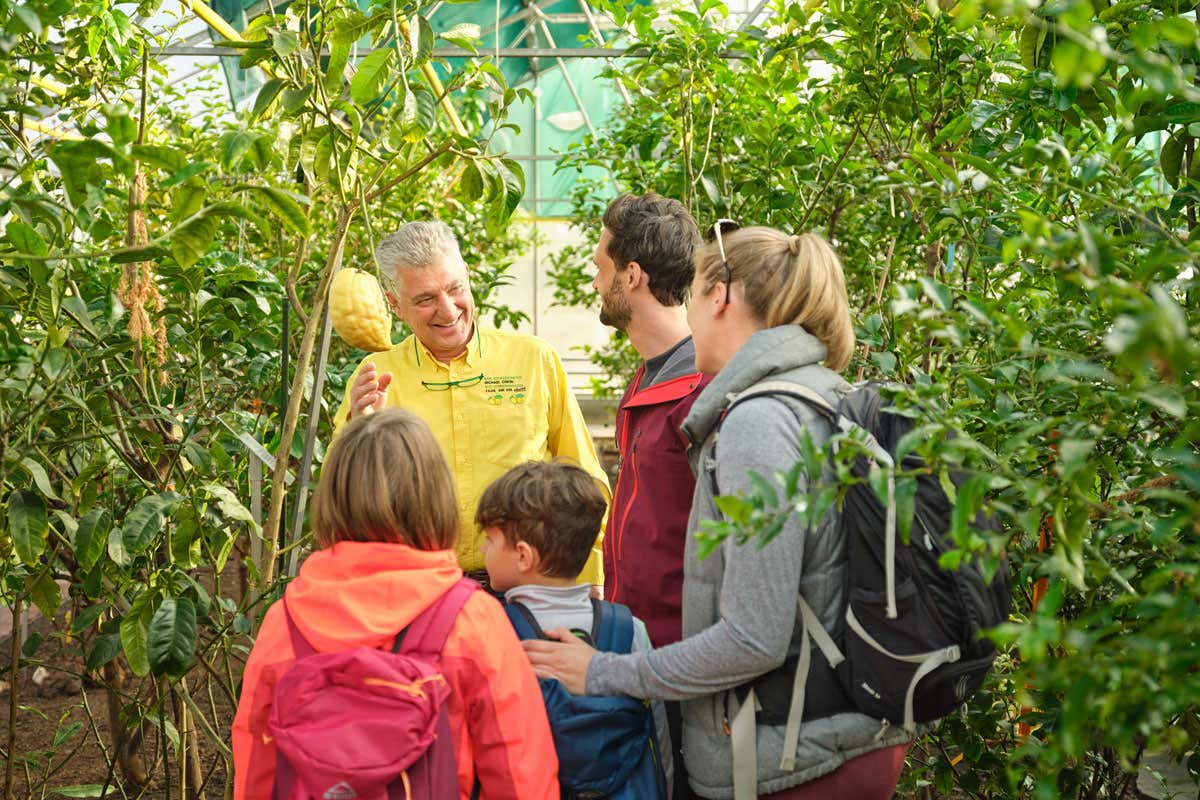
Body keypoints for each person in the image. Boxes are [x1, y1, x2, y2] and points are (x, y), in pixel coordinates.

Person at [523, 225, 912, 799]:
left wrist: (603, 671)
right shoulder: (821, 391)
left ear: (721, 297)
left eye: (696, 294)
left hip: (795, 754)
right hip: (841, 731)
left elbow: (754, 639)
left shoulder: (762, 418)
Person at [233, 408, 559, 800]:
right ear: (436, 498)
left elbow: (256, 767)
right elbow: (520, 774)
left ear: (333, 498)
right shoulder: (472, 619)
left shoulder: (284, 622)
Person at [333, 221, 609, 590]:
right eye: (426, 299)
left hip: (529, 591)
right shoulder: (374, 378)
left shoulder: (533, 360)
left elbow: (584, 482)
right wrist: (359, 430)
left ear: (466, 274)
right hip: (418, 593)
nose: (447, 311)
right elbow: (342, 505)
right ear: (395, 304)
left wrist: (587, 586)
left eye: (454, 289)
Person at [592, 193, 712, 799]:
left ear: (631, 276)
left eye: (600, 265)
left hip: (685, 664)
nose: (594, 277)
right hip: (640, 651)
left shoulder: (702, 390)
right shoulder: (648, 375)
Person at [476, 460, 671, 797]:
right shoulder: (630, 629)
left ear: (523, 556)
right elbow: (659, 740)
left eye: (490, 541)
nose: (482, 550)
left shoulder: (490, 632)